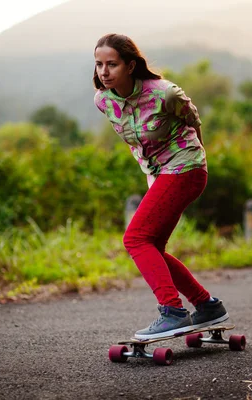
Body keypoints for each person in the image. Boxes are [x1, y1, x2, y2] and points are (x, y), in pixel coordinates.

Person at [93, 33, 229, 339]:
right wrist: (152, 176)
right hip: (160, 173)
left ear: (130, 65)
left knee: (136, 238)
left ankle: (173, 311)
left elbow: (193, 119)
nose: (104, 71)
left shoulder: (164, 93)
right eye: (99, 64)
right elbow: (138, 145)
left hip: (186, 166)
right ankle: (207, 306)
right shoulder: (104, 101)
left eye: (112, 64)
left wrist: (198, 155)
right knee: (151, 245)